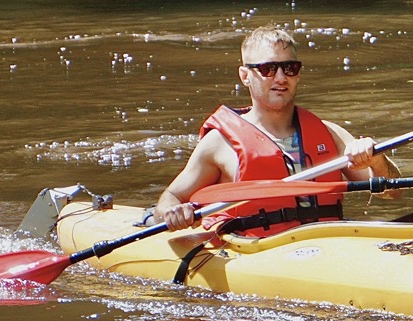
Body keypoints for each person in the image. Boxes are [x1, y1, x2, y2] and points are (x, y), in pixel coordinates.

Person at [154, 25, 399, 236]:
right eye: (268, 69)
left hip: (325, 245)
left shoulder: (329, 133)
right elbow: (170, 198)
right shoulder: (219, 144)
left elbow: (391, 193)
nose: (281, 77)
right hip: (257, 250)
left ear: (298, 73)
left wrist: (376, 160)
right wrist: (175, 213)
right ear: (245, 75)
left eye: (289, 68)